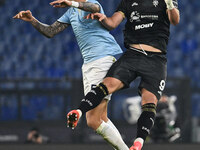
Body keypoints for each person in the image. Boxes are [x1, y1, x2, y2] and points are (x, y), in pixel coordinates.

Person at [13, 0, 129, 149]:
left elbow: (94, 7)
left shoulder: (91, 3)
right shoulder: (71, 12)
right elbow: (50, 32)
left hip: (102, 59)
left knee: (92, 120)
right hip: (89, 63)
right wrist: (32, 20)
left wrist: (71, 3)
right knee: (101, 117)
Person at [67, 0, 180, 149]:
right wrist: (104, 19)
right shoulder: (127, 2)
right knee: (107, 85)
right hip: (133, 54)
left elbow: (175, 20)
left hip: (156, 60)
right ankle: (79, 112)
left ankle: (138, 142)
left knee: (149, 102)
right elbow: (113, 23)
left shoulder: (164, 1)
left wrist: (170, 4)